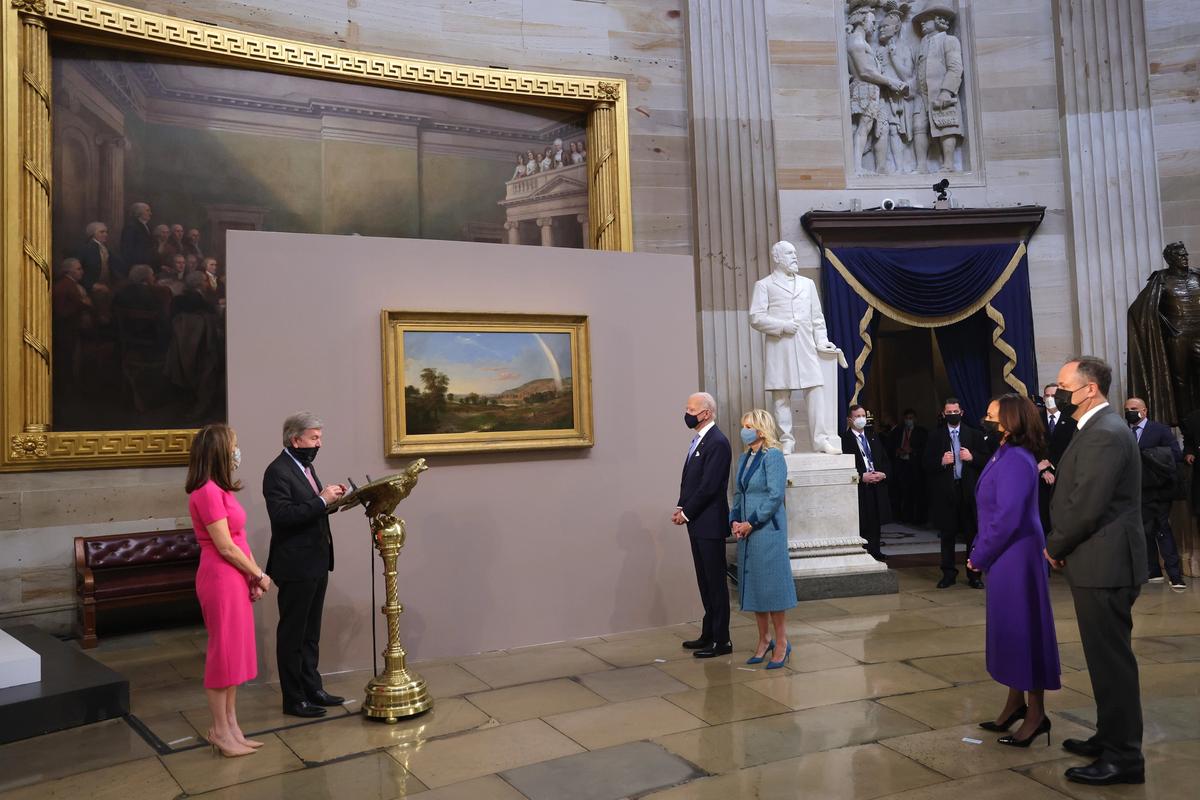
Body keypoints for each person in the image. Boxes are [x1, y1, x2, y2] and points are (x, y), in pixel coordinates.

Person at [1046, 357, 1147, 785]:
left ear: (1089, 389)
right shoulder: (1094, 428)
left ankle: (1124, 758)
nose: (1058, 391)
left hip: (1105, 563)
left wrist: (1055, 545)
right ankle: (1109, 736)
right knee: (1103, 659)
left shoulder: (1105, 432)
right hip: (1096, 561)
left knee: (1112, 664)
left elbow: (1087, 504)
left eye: (1064, 385)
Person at [968, 396, 1060, 747]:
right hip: (1006, 555)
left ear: (1009, 420)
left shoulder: (1017, 460)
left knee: (1024, 630)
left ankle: (1036, 714)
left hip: (1016, 556)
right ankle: (1014, 704)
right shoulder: (1004, 452)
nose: (986, 419)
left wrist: (979, 555)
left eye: (992, 415)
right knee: (1010, 629)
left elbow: (1007, 517)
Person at [186, 423, 270, 758]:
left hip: (235, 577)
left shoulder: (222, 490)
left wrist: (251, 577)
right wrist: (260, 574)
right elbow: (224, 547)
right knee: (223, 654)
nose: (238, 450)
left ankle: (233, 726)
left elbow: (240, 539)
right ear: (220, 451)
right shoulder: (206, 491)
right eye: (234, 445)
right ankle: (220, 731)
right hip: (220, 578)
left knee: (234, 654)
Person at [263, 413, 347, 717]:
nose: (318, 444)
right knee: (293, 634)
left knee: (311, 632)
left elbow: (310, 510)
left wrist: (332, 501)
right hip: (295, 564)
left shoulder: (305, 466)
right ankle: (294, 698)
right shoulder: (278, 471)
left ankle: (313, 688)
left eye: (320, 438)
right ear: (295, 439)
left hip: (317, 560)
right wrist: (322, 501)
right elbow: (283, 516)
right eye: (314, 438)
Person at [749, 240, 844, 455]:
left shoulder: (807, 284)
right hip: (779, 346)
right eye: (790, 254)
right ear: (777, 258)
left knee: (816, 390)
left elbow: (817, 318)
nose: (795, 257)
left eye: (795, 253)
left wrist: (821, 340)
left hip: (805, 346)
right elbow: (756, 317)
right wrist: (781, 326)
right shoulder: (765, 285)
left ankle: (820, 440)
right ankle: (787, 440)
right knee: (781, 395)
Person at [731, 409, 796, 668]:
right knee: (756, 585)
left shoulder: (774, 456)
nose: (744, 429)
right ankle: (763, 639)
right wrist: (735, 520)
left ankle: (781, 642)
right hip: (746, 530)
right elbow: (738, 492)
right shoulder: (746, 457)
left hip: (766, 530)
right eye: (743, 424)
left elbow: (774, 496)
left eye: (748, 425)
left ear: (761, 429)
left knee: (772, 587)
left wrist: (751, 522)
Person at [672, 392, 733, 658]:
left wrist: (687, 513)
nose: (687, 413)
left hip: (709, 522)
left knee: (715, 583)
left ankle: (722, 640)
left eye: (691, 408)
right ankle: (709, 633)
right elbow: (692, 481)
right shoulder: (700, 440)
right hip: (698, 521)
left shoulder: (717, 442)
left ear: (706, 413)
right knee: (704, 581)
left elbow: (709, 486)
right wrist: (682, 507)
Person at [1124, 397, 1187, 590]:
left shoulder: (1159, 430)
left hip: (1159, 490)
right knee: (1144, 531)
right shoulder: (1124, 432)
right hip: (1137, 491)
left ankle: (1175, 575)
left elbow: (1175, 454)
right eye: (1127, 409)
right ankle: (1153, 571)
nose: (1130, 412)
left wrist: (1148, 455)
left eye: (1134, 408)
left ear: (1144, 410)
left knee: (1162, 529)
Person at [925, 397, 985, 588]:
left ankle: (974, 574)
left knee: (971, 534)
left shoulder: (974, 434)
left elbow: (987, 460)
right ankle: (948, 573)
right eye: (949, 412)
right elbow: (925, 464)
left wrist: (972, 457)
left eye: (955, 412)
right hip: (946, 492)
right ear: (943, 414)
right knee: (947, 535)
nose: (952, 415)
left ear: (962, 412)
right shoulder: (935, 436)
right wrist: (941, 462)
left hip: (968, 491)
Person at [842, 405, 891, 561]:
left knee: (876, 520)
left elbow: (884, 459)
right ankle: (863, 553)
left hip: (877, 484)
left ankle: (876, 550)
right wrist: (861, 476)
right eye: (857, 416)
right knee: (863, 521)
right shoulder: (844, 440)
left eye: (863, 415)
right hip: (859, 486)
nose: (862, 419)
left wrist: (883, 473)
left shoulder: (873, 436)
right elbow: (844, 467)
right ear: (850, 420)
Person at [1038, 383, 1076, 536]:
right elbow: (1032, 446)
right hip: (1041, 478)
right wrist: (1044, 470)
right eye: (1047, 395)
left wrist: (1052, 465)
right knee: (1044, 521)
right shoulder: (1035, 419)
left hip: (1065, 476)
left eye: (1053, 396)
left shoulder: (1072, 419)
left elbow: (1073, 447)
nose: (1050, 399)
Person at [887, 408, 927, 523]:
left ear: (915, 419)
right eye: (906, 418)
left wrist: (912, 451)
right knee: (903, 492)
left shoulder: (921, 432)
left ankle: (919, 519)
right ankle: (904, 517)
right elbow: (889, 446)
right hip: (901, 465)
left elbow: (925, 448)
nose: (908, 421)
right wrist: (897, 451)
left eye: (911, 418)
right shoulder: (897, 432)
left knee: (918, 493)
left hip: (915, 466)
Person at [120, 202, 156, 269]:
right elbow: (128, 250)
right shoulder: (131, 227)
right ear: (138, 212)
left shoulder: (148, 227)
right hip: (137, 266)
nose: (150, 214)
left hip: (147, 265)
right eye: (147, 210)